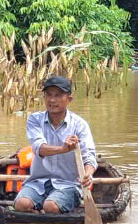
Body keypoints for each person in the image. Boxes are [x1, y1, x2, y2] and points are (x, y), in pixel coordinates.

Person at [13, 75, 98, 215]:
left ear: (69, 99)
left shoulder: (79, 125)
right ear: (44, 98)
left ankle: (49, 207)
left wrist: (87, 175)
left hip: (68, 184)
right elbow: (39, 147)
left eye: (58, 96)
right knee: (21, 205)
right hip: (38, 182)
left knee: (51, 207)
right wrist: (63, 149)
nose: (52, 100)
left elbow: (89, 156)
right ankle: (38, 210)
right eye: (49, 95)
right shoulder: (35, 119)